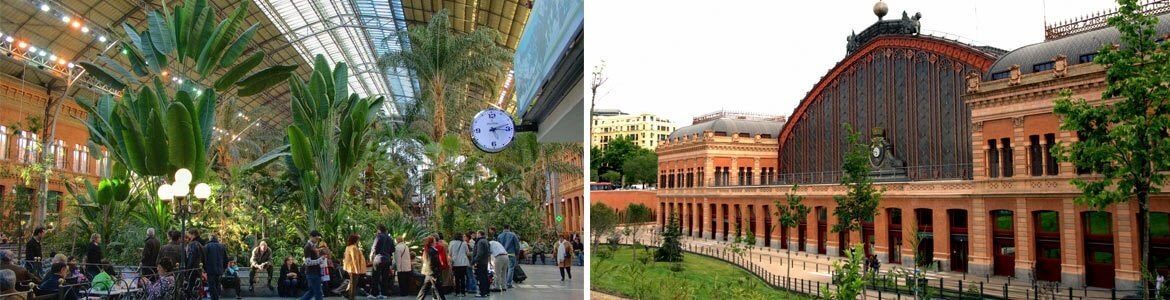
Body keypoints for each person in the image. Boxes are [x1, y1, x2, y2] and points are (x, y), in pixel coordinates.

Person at [300, 231, 327, 300]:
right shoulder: (308, 247)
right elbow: (308, 262)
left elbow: (314, 258)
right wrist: (321, 259)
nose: (317, 240)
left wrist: (319, 253)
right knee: (318, 292)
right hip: (312, 273)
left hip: (314, 272)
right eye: (316, 239)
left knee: (312, 292)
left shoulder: (313, 246)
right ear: (311, 237)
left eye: (318, 239)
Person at [370, 225, 394, 299]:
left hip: (378, 259)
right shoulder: (390, 238)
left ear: (379, 230)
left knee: (375, 277)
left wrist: (372, 256)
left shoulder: (378, 236)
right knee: (385, 277)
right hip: (387, 260)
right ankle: (384, 294)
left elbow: (374, 247)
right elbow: (393, 249)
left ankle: (374, 294)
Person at [342, 234, 367, 300]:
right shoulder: (353, 247)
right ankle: (351, 297)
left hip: (349, 268)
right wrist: (357, 270)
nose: (358, 241)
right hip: (353, 269)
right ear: (355, 240)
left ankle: (348, 295)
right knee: (353, 285)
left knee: (351, 284)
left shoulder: (348, 247)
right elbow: (355, 259)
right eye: (358, 239)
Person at [204, 234, 229, 300]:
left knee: (212, 285)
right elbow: (226, 259)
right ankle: (217, 296)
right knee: (217, 283)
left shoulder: (207, 246)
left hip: (210, 269)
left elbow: (204, 258)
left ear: (210, 239)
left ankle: (215, 298)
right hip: (220, 269)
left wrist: (204, 269)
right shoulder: (222, 246)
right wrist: (224, 268)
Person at [470, 231, 491, 298]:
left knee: (481, 277)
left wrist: (474, 260)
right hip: (485, 262)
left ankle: (482, 292)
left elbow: (479, 253)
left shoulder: (480, 242)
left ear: (479, 234)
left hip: (480, 262)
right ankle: (487, 291)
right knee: (485, 276)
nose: (476, 235)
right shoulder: (486, 241)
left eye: (477, 233)